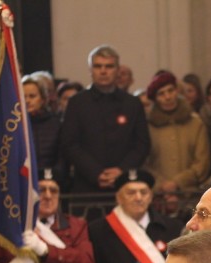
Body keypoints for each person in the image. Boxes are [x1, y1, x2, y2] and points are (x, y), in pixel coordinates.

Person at [60, 45, 150, 194]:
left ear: (117, 70)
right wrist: (96, 173)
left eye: (109, 66)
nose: (103, 71)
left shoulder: (132, 104)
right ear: (90, 70)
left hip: (126, 183)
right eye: (98, 66)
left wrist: (121, 170)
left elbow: (142, 144)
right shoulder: (77, 103)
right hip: (86, 184)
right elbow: (69, 144)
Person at [143, 72, 210, 205]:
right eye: (161, 94)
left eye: (170, 91)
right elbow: (144, 162)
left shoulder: (195, 123)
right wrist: (161, 185)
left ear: (177, 91)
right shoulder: (148, 126)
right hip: (157, 197)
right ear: (155, 99)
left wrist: (177, 182)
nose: (167, 97)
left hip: (189, 195)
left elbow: (202, 163)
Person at [22, 75, 61, 171]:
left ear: (43, 99)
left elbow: (61, 158)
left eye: (32, 96)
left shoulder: (56, 123)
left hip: (51, 180)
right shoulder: (14, 126)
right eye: (23, 97)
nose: (27, 101)